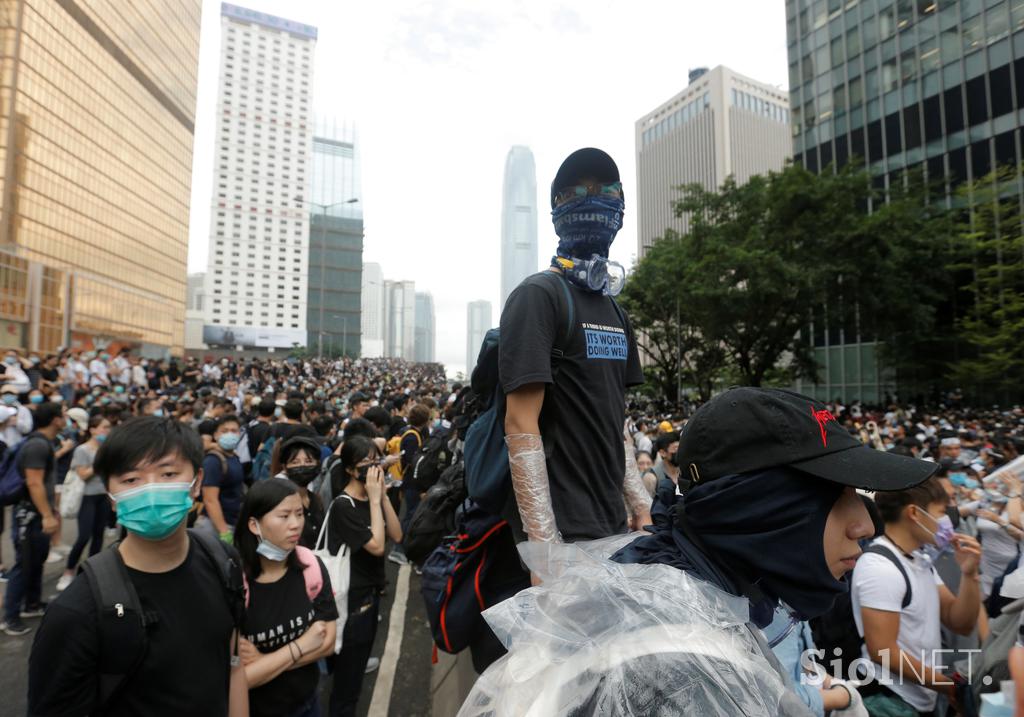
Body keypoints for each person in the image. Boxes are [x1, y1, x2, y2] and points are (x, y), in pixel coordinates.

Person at [27, 416, 248, 715]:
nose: (151, 490)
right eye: (131, 480)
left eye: (168, 473)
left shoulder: (223, 560)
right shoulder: (78, 612)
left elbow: (233, 665)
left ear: (196, 483)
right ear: (112, 497)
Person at [500, 147, 647, 552]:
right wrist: (544, 546)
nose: (595, 197)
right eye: (578, 191)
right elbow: (520, 423)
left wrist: (640, 504)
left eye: (609, 190)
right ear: (556, 209)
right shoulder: (538, 296)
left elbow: (615, 422)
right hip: (562, 535)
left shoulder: (616, 308)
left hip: (614, 525)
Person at [852, 477, 982, 715]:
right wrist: (948, 686)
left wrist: (970, 574)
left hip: (921, 698)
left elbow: (960, 623)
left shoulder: (920, 560)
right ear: (914, 512)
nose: (946, 521)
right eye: (941, 511)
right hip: (892, 700)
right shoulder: (879, 567)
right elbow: (883, 651)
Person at [235, 479, 337, 717]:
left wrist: (265, 660)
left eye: (299, 514)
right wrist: (301, 645)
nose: (295, 525)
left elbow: (328, 642)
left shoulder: (310, 564)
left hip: (308, 703)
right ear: (254, 524)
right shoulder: (234, 583)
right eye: (284, 516)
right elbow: (240, 680)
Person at [327, 436, 402, 717]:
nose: (373, 467)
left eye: (376, 459)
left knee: (355, 668)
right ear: (349, 469)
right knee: (347, 683)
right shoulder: (343, 506)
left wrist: (382, 497)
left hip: (371, 594)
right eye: (365, 462)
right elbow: (377, 546)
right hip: (353, 600)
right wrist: (374, 500)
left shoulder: (373, 497)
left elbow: (396, 535)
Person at [1, 402, 66, 636]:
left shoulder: (41, 443)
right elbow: (34, 482)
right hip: (29, 514)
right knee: (24, 563)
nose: (66, 417)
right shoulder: (37, 445)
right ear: (55, 420)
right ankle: (10, 617)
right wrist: (47, 514)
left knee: (36, 559)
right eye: (63, 414)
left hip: (38, 513)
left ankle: (32, 604)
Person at [56, 415, 113, 592]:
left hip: (103, 496)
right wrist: (100, 460)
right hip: (86, 497)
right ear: (92, 429)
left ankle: (92, 573)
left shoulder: (106, 449)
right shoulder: (82, 450)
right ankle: (68, 571)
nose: (106, 431)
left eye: (108, 427)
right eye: (103, 427)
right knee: (83, 536)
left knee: (98, 536)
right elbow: (83, 475)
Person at [274, 435, 327, 549]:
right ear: (285, 467)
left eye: (308, 461)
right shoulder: (280, 502)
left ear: (317, 464)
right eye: (295, 462)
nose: (302, 466)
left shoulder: (316, 500)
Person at [201, 414, 246, 543]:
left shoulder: (234, 457)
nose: (230, 434)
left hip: (231, 521)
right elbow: (210, 500)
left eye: (234, 431)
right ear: (215, 435)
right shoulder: (213, 461)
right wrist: (224, 531)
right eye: (224, 431)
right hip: (215, 526)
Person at [1, 383, 34, 448]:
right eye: (6, 393)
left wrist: (17, 422)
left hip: (16, 444)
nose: (8, 395)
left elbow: (28, 429)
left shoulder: (23, 409)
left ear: (16, 395)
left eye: (11, 394)